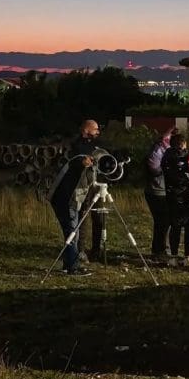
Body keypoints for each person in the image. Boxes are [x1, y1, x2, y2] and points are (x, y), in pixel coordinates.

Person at [48, 139, 95, 277]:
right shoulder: (77, 163)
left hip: (64, 200)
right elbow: (80, 164)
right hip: (66, 201)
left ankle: (68, 265)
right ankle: (73, 267)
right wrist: (84, 163)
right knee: (72, 234)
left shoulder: (76, 166)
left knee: (72, 233)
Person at [162, 130, 189, 266]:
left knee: (175, 226)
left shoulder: (166, 157)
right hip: (188, 195)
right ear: (184, 144)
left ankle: (173, 257)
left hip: (172, 195)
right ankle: (187, 256)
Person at [69, 119, 106, 261]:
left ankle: (97, 250)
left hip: (97, 183)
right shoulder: (77, 145)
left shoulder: (98, 144)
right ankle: (80, 250)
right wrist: (83, 162)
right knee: (82, 218)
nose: (98, 131)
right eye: (95, 129)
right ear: (86, 130)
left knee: (99, 217)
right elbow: (75, 162)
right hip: (83, 185)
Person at [143, 128, 173, 261]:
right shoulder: (158, 151)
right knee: (163, 221)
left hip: (160, 190)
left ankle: (158, 249)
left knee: (162, 222)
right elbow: (154, 169)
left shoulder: (162, 149)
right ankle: (160, 251)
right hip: (157, 191)